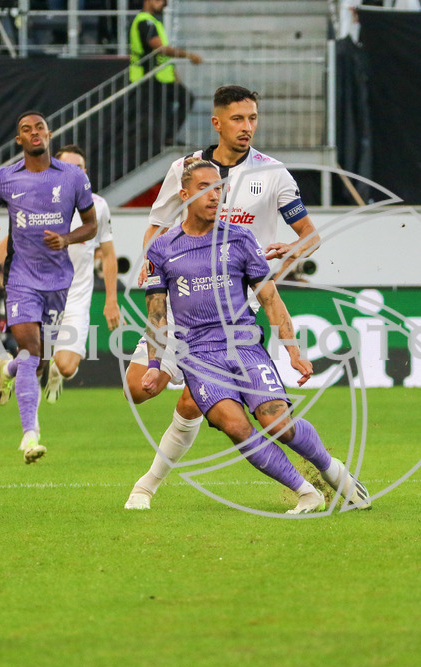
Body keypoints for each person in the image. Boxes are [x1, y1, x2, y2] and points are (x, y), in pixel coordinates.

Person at [125, 84, 321, 510]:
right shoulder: (187, 168)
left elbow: (310, 234)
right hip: (180, 302)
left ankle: (147, 486)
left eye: (252, 118)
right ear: (217, 122)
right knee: (137, 389)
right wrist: (149, 261)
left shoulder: (273, 174)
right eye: (238, 119)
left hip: (234, 314)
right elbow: (157, 225)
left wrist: (295, 247)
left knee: (196, 400)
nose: (247, 127)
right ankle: (150, 480)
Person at [140, 159, 370, 514]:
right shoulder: (162, 248)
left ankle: (334, 471)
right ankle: (306, 492)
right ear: (183, 196)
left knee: (278, 423)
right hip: (199, 354)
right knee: (234, 424)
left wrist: (293, 352)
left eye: (218, 188)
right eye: (204, 189)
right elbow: (157, 315)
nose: (215, 196)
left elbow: (269, 297)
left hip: (245, 345)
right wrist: (155, 364)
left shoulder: (240, 237)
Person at [0, 111, 97, 463]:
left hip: (58, 280)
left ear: (48, 133)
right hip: (21, 278)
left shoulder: (72, 177)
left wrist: (67, 238)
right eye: (26, 129)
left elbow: (91, 226)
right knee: (30, 351)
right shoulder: (4, 178)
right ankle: (30, 436)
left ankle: (7, 370)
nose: (34, 132)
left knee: (37, 362)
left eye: (39, 127)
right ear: (19, 140)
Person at [0, 144, 118, 405]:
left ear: (85, 174)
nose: (73, 172)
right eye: (68, 166)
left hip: (75, 299)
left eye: (79, 168)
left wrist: (110, 300)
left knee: (67, 367)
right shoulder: (38, 201)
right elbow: (10, 241)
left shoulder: (98, 206)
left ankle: (48, 373)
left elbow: (108, 255)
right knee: (33, 361)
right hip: (39, 292)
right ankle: (9, 371)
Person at [129, 0, 202, 154]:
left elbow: (163, 56)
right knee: (163, 110)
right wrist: (188, 55)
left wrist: (175, 75)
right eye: (160, 0)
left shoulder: (153, 22)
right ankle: (161, 142)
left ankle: (165, 139)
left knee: (175, 104)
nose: (163, 4)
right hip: (150, 76)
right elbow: (160, 48)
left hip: (161, 76)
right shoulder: (145, 21)